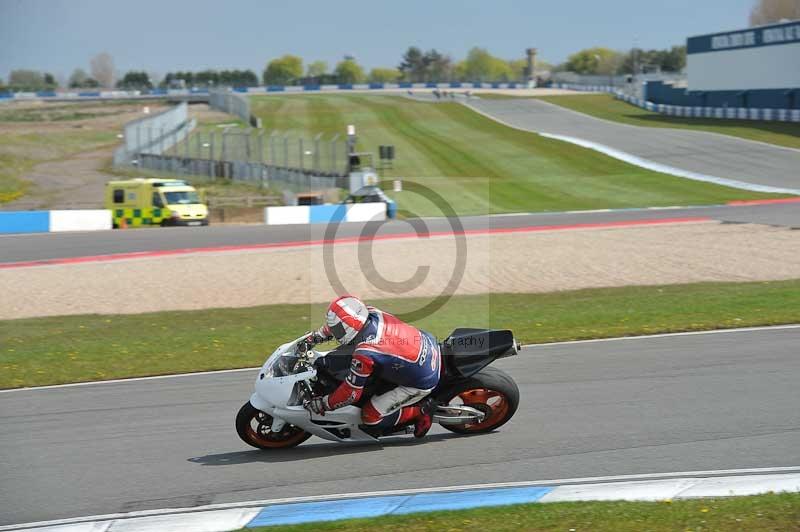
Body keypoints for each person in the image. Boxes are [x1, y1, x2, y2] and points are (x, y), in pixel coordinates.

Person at [301, 295, 440, 438]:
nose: (335, 332)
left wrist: (324, 404)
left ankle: (421, 411)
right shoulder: (371, 312)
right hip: (426, 342)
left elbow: (351, 394)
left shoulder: (366, 352)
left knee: (369, 416)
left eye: (337, 329)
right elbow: (344, 324)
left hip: (423, 378)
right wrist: (315, 337)